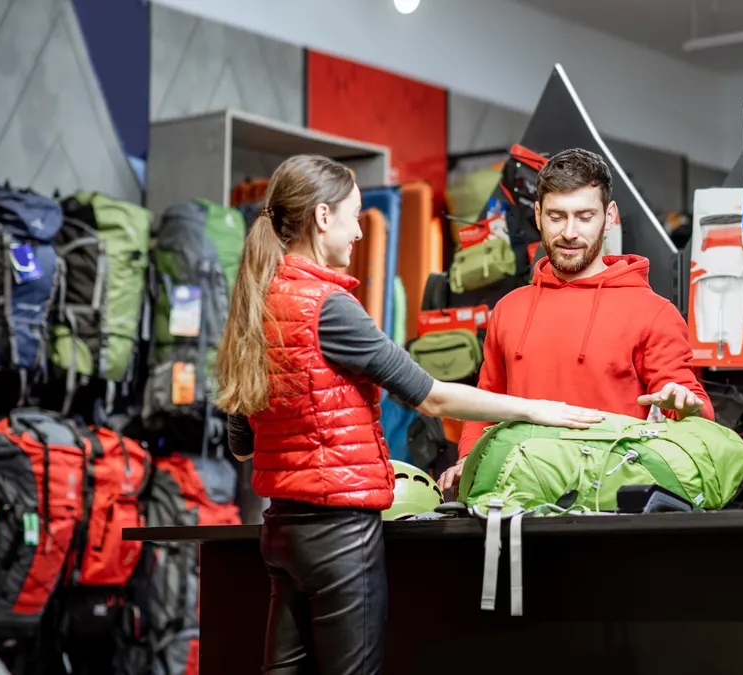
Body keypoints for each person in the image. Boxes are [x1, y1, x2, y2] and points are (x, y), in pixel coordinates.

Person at [215, 154, 604, 675]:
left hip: (282, 531)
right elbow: (433, 397)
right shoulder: (328, 307)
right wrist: (540, 409)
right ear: (323, 218)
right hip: (338, 536)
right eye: (354, 215)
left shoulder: (259, 301)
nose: (359, 231)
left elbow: (243, 443)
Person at [438, 148, 714, 493]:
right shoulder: (509, 309)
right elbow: (488, 400)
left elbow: (696, 413)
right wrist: (468, 457)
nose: (569, 232)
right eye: (557, 216)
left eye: (584, 217)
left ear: (609, 216)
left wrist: (686, 407)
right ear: (538, 215)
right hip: (517, 499)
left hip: (607, 503)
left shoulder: (653, 312)